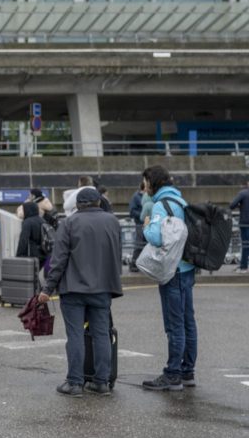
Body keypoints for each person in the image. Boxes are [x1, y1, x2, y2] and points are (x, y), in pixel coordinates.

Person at [38, 187, 122, 396]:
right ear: (98, 202)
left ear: (77, 205)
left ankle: (75, 382)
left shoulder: (69, 223)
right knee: (101, 334)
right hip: (102, 288)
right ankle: (101, 382)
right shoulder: (112, 221)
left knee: (75, 335)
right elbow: (116, 254)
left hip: (73, 288)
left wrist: (48, 288)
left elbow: (59, 260)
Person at [140, 165, 198, 391]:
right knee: (188, 321)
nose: (144, 187)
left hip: (172, 271)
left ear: (153, 182)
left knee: (174, 324)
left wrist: (146, 227)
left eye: (146, 182)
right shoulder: (180, 201)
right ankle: (187, 371)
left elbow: (156, 237)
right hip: (187, 268)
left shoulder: (160, 205)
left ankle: (172, 374)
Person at [229, 179, 249, 273]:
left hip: (245, 223)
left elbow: (232, 205)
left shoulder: (243, 193)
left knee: (245, 245)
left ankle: (243, 267)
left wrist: (240, 206)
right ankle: (243, 264)